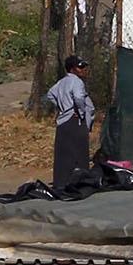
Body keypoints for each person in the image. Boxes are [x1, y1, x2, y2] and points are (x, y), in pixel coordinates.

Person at [45, 54, 96, 187]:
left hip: (63, 122)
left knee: (64, 155)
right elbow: (79, 97)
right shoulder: (77, 81)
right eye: (80, 67)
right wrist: (80, 111)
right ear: (72, 69)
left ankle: (61, 183)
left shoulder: (62, 82)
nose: (84, 69)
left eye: (84, 66)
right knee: (79, 154)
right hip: (75, 121)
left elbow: (50, 94)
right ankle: (80, 184)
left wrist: (62, 107)